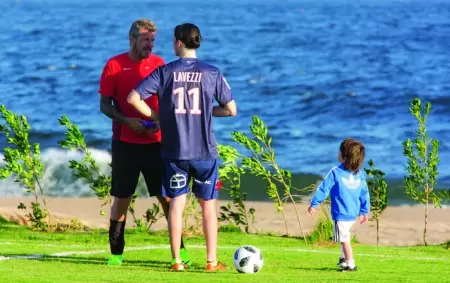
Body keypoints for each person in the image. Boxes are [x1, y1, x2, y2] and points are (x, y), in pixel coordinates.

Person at [127, 23, 236, 271]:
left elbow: (133, 98)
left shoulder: (164, 72)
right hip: (204, 152)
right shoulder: (212, 73)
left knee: (177, 205)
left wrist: (157, 116)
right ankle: (210, 261)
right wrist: (209, 111)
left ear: (178, 42)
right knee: (208, 206)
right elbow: (231, 110)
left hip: (175, 152)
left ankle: (177, 261)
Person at [98, 19, 190, 266]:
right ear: (132, 39)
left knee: (168, 199)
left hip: (157, 144)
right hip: (125, 143)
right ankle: (116, 254)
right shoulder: (114, 65)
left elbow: (171, 100)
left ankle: (181, 252)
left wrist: (164, 122)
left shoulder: (159, 64)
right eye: (145, 40)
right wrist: (127, 121)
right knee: (121, 199)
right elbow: (104, 105)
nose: (150, 45)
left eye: (153, 40)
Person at [307, 138, 370, 272]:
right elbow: (365, 194)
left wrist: (314, 203)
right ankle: (343, 259)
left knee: (344, 239)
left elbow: (323, 188)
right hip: (352, 213)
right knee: (344, 235)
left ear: (343, 155)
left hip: (341, 214)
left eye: (339, 151)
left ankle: (350, 264)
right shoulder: (360, 175)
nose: (338, 153)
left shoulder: (335, 172)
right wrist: (364, 211)